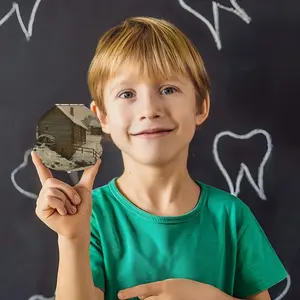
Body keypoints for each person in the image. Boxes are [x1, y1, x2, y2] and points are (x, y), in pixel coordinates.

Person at [31, 16, 287, 300]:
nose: (149, 109)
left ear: (201, 106)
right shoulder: (91, 217)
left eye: (168, 89)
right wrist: (72, 239)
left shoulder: (231, 217)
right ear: (101, 117)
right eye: (127, 93)